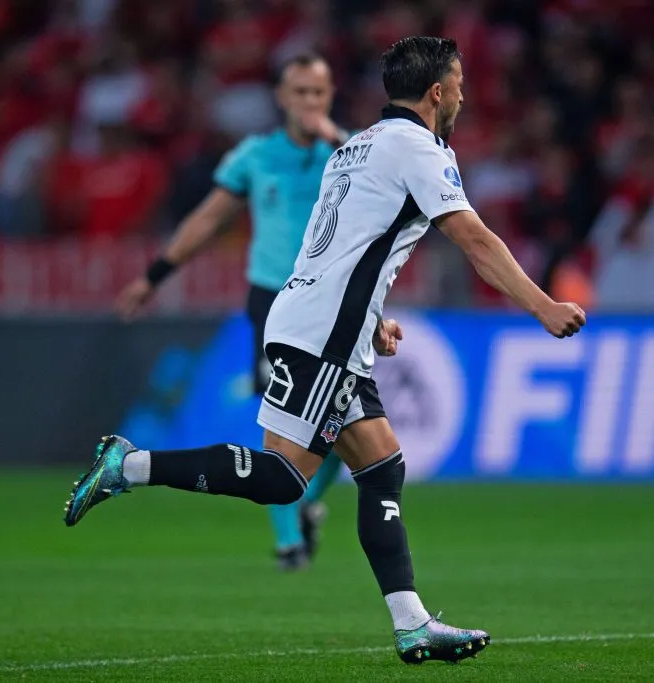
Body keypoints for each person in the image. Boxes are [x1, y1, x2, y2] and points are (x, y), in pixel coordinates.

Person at [65, 36, 586, 665]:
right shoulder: (416, 148)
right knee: (283, 479)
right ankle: (129, 466)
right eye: (458, 84)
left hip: (318, 322)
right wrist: (543, 306)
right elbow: (473, 239)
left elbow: (340, 244)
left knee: (381, 467)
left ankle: (413, 624)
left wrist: (373, 319)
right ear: (437, 91)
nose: (463, 95)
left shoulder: (356, 146)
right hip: (324, 334)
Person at [114, 53, 349, 571]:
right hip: (275, 305)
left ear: (330, 96)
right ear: (282, 98)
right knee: (283, 429)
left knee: (343, 429)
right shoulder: (256, 156)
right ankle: (289, 543)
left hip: (336, 305)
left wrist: (337, 141)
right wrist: (154, 276)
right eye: (300, 92)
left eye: (318, 92)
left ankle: (304, 503)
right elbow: (208, 219)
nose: (309, 102)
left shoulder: (352, 153)